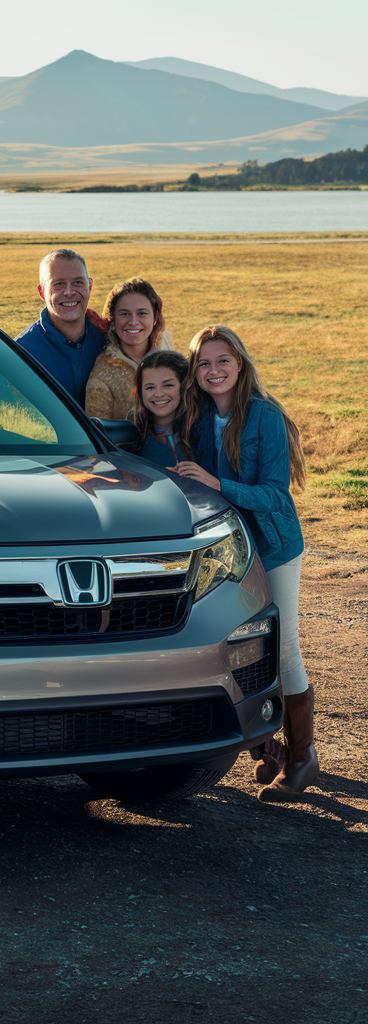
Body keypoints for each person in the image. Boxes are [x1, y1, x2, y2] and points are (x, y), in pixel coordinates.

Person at [173, 326, 314, 801]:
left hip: (273, 547)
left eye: (222, 361)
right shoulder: (196, 417)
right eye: (203, 363)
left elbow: (275, 495)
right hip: (231, 552)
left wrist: (218, 485)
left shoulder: (264, 416)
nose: (213, 371)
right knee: (243, 647)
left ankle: (302, 759)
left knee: (284, 648)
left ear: (240, 363)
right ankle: (267, 750)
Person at [0, 248, 106, 406]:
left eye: (78, 283)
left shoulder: (107, 341)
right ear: (42, 292)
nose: (69, 292)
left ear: (89, 287)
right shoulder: (20, 353)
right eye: (58, 284)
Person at [86, 278, 173, 420]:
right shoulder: (102, 379)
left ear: (155, 318)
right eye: (125, 314)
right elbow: (98, 437)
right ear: (113, 320)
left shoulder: (169, 356)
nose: (133, 322)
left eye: (142, 313)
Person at [131, 349, 190, 468]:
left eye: (168, 385)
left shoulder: (204, 428)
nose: (158, 394)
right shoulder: (131, 431)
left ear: (184, 387)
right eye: (150, 387)